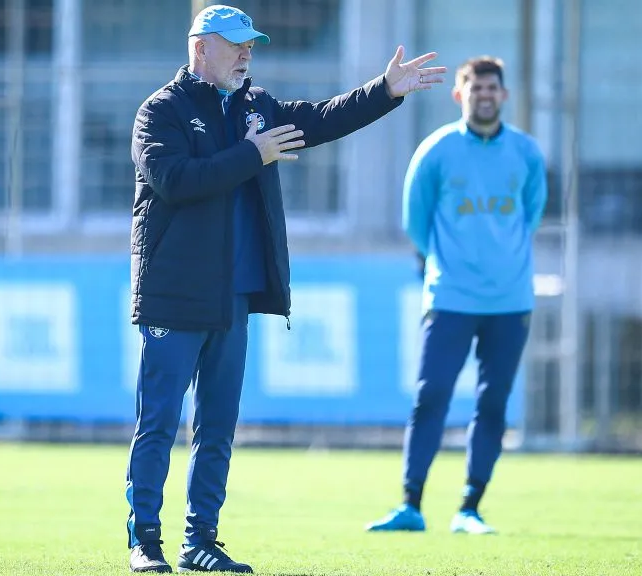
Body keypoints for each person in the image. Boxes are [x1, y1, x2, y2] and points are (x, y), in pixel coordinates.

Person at [126, 4, 447, 573]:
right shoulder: (162, 111)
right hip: (175, 294)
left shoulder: (255, 105)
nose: (246, 55)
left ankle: (200, 541)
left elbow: (319, 119)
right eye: (236, 45)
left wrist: (384, 91)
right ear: (200, 47)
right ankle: (145, 542)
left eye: (250, 46)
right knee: (158, 425)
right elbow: (175, 182)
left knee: (217, 429)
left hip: (233, 295)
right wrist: (253, 153)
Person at [365, 56, 548, 535]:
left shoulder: (526, 153)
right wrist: (449, 264)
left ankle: (470, 507)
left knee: (493, 403)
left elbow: (532, 214)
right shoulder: (436, 151)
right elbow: (416, 222)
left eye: (492, 88)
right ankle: (411, 504)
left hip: (510, 300)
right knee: (431, 397)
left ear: (504, 95)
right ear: (459, 95)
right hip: (450, 297)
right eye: (475, 88)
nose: (484, 95)